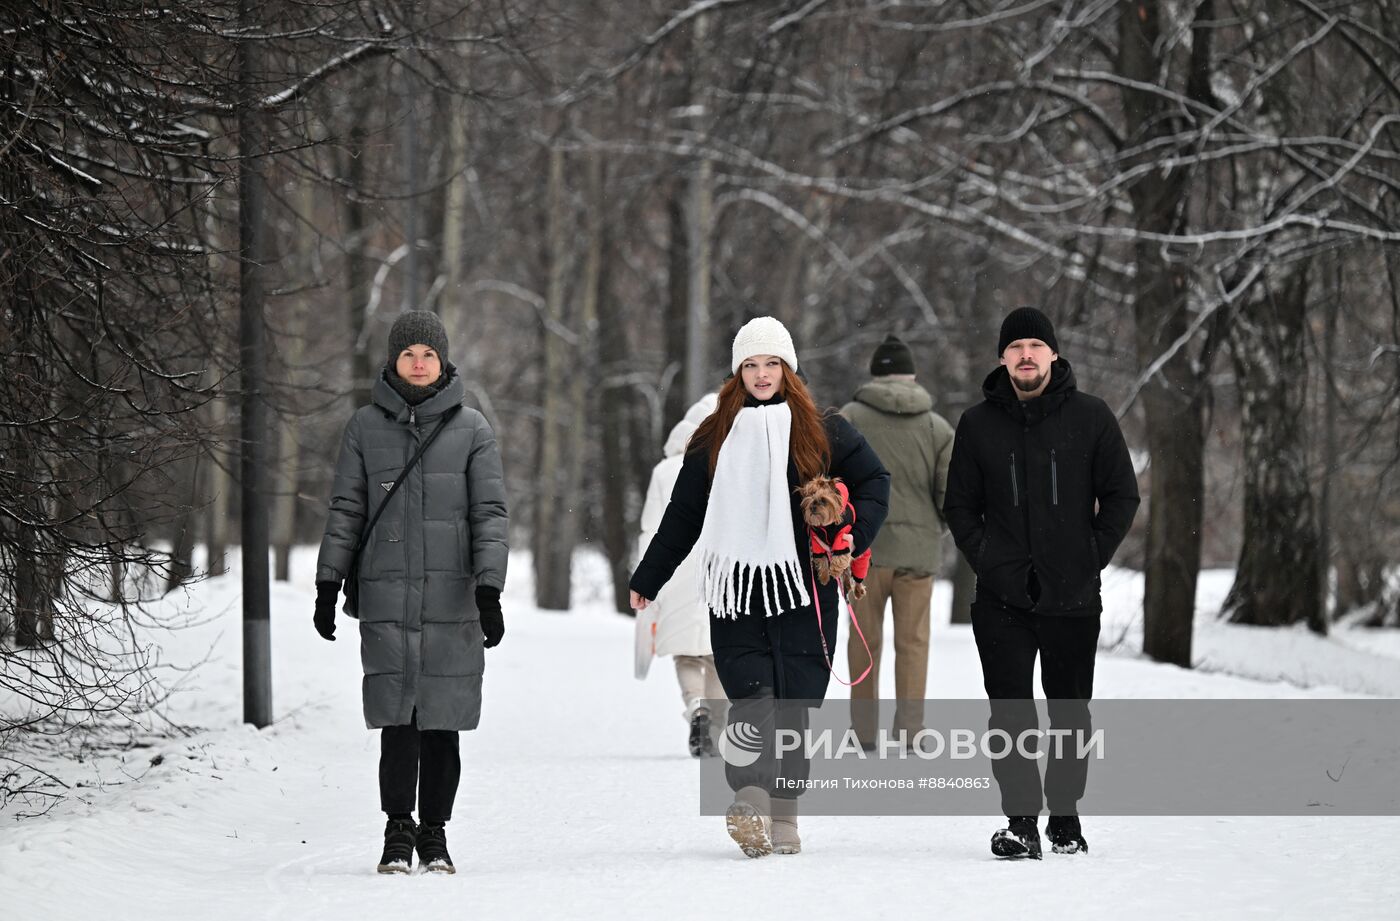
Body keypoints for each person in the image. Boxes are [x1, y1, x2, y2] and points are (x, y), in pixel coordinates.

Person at [629, 317, 890, 859]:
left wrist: (849, 539)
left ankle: (786, 818)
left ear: (788, 369)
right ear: (738, 372)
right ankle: (749, 800)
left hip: (805, 591)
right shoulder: (715, 435)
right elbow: (683, 514)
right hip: (739, 590)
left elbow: (875, 482)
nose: (762, 374)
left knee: (796, 708)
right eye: (751, 364)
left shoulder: (823, 428)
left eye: (771, 363)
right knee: (751, 701)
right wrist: (649, 578)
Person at [313, 309, 509, 875]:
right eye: (408, 354)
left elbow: (489, 514)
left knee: (442, 721)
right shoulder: (364, 427)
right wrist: (329, 583)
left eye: (428, 354)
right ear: (393, 361)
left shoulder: (472, 428)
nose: (419, 363)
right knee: (397, 719)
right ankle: (397, 830)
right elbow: (347, 508)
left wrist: (489, 589)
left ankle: (435, 833)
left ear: (442, 360)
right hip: (386, 594)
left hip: (453, 597)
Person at [943, 306, 1139, 860]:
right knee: (1010, 712)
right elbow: (960, 506)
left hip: (1072, 595)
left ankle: (1067, 819)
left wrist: (1090, 556)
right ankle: (1021, 822)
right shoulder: (978, 424)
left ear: (1053, 353)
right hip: (1001, 597)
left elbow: (1122, 496)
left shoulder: (1093, 417)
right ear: (1002, 357)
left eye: (1035, 345)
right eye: (1015, 347)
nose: (1026, 355)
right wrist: (989, 561)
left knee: (1070, 711)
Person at [839, 334, 955, 749]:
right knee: (913, 643)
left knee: (863, 642)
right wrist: (930, 529)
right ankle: (910, 729)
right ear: (912, 376)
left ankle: (863, 731)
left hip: (860, 551)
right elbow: (949, 495)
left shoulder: (848, 418)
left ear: (874, 375)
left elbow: (834, 484)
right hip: (918, 554)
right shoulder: (937, 427)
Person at [636, 393, 728, 757]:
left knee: (686, 655)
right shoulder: (726, 461)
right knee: (721, 653)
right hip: (719, 572)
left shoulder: (664, 471)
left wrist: (646, 576)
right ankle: (717, 726)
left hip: (673, 571)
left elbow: (649, 528)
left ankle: (696, 709)